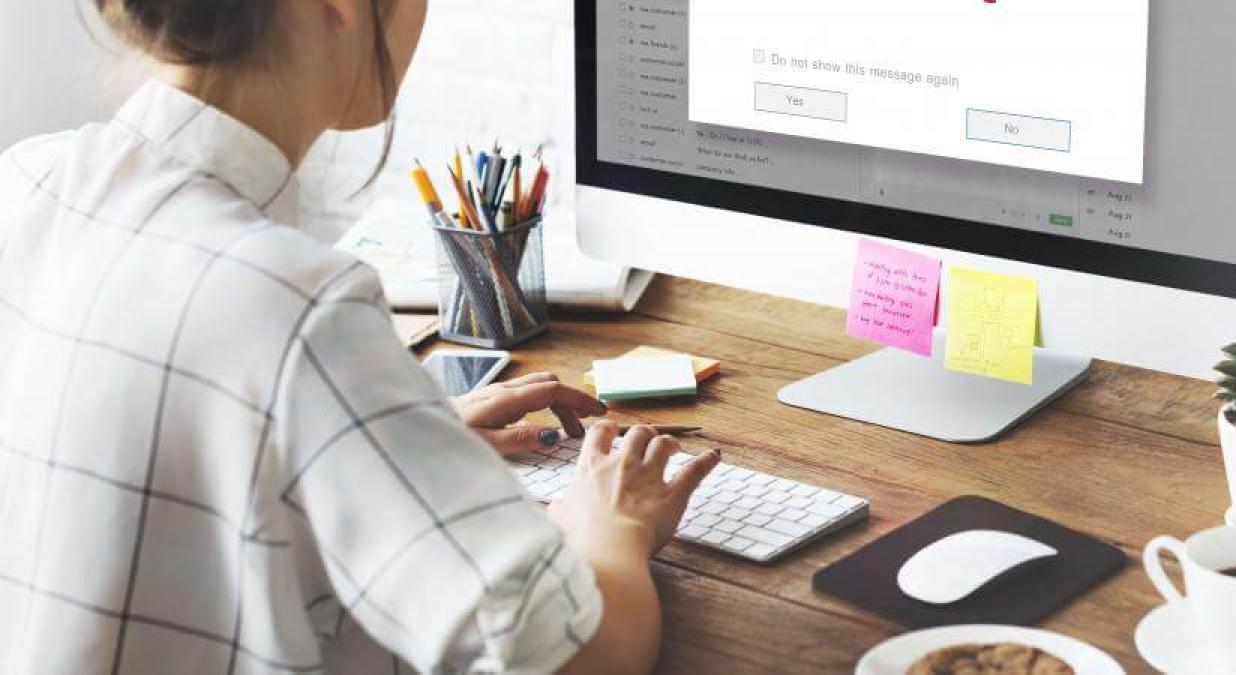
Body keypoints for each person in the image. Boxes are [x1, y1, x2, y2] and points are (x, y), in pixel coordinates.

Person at [0, 0, 720, 673]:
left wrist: (386, 436)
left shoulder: (24, 183)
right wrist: (612, 522)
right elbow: (574, 655)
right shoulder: (296, 306)